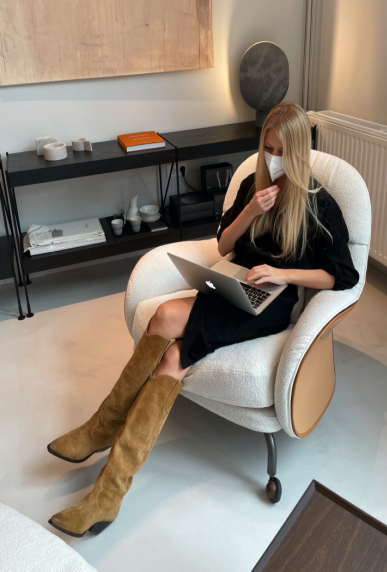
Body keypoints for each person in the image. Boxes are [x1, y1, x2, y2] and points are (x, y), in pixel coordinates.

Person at [47, 101, 360, 537]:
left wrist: (283, 274)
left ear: (298, 153)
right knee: (173, 356)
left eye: (281, 151)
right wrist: (251, 210)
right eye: (267, 148)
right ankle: (107, 489)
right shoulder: (253, 184)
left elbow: (342, 275)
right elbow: (224, 244)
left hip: (268, 304)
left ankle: (102, 439)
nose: (272, 158)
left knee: (165, 316)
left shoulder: (318, 204)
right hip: (234, 283)